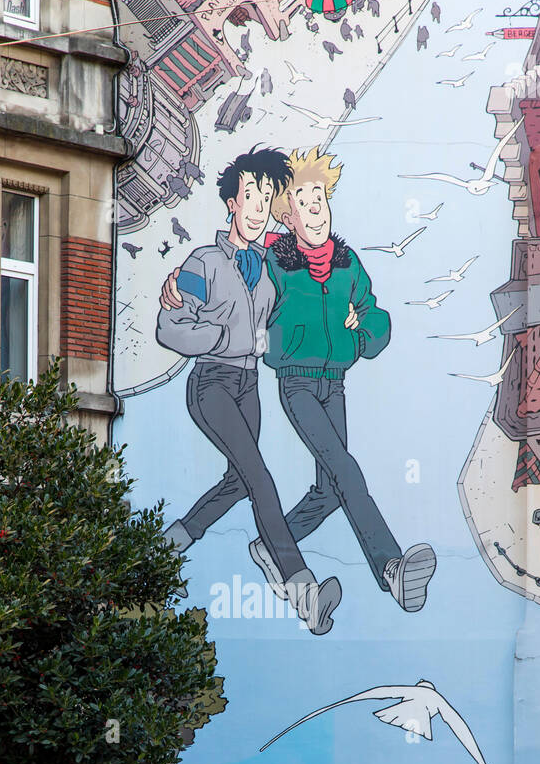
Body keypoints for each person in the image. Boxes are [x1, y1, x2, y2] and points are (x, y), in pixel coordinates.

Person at [155, 148, 342, 635]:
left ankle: (175, 539)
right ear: (232, 203)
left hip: (249, 385)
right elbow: (169, 326)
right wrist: (215, 335)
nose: (259, 206)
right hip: (211, 383)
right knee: (260, 478)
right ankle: (302, 586)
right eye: (250, 195)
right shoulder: (205, 261)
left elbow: (313, 268)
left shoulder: (274, 263)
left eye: (266, 197)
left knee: (240, 480)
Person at [260, 148, 436, 613]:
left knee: (329, 489)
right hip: (296, 382)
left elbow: (376, 315)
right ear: (287, 212)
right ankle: (391, 568)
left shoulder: (346, 261)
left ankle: (271, 544)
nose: (314, 203)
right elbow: (245, 299)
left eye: (320, 194)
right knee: (346, 470)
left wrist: (362, 336)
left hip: (334, 382)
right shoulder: (273, 263)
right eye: (302, 196)